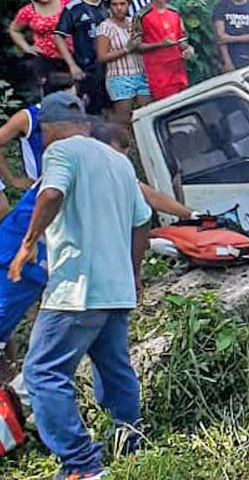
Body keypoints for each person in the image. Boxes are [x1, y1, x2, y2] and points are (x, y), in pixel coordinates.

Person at [8, 92, 151, 480]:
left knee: (42, 373)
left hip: (77, 288)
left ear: (49, 128)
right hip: (115, 288)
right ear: (85, 123)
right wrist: (134, 273)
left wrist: (26, 246)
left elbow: (51, 193)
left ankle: (82, 465)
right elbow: (143, 222)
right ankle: (129, 446)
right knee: (114, 368)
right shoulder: (119, 162)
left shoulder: (60, 152)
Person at [0, 118, 194, 385]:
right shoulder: (87, 169)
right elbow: (148, 201)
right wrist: (193, 216)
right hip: (19, 257)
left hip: (35, 261)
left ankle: (13, 394)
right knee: (36, 360)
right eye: (117, 155)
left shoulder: (87, 169)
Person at [0, 72, 77, 219]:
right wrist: (13, 179)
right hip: (40, 192)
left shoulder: (77, 115)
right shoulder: (28, 117)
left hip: (73, 188)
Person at [97, 0, 151, 126]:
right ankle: (125, 144)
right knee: (124, 120)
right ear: (109, 7)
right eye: (114, 5)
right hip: (119, 77)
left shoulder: (134, 23)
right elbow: (102, 56)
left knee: (146, 115)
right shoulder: (105, 27)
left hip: (141, 74)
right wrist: (126, 49)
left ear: (128, 5)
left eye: (122, 4)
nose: (119, 8)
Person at [54, 0, 110, 116]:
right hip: (88, 69)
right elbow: (58, 36)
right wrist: (72, 65)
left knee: (117, 107)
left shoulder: (110, 4)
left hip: (114, 67)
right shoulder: (73, 8)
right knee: (93, 110)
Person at [134, 0, 195, 101]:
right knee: (168, 107)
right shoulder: (142, 15)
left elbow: (181, 39)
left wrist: (188, 49)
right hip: (158, 73)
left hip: (178, 69)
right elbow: (136, 47)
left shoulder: (174, 12)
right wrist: (160, 44)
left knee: (183, 104)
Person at [9, 0, 72, 95]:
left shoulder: (67, 3)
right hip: (46, 59)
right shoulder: (28, 11)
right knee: (50, 94)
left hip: (74, 56)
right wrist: (27, 48)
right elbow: (14, 30)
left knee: (81, 91)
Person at [212, 0, 249, 72]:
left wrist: (231, 39)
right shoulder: (221, 6)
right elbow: (220, 37)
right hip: (227, 57)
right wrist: (227, 61)